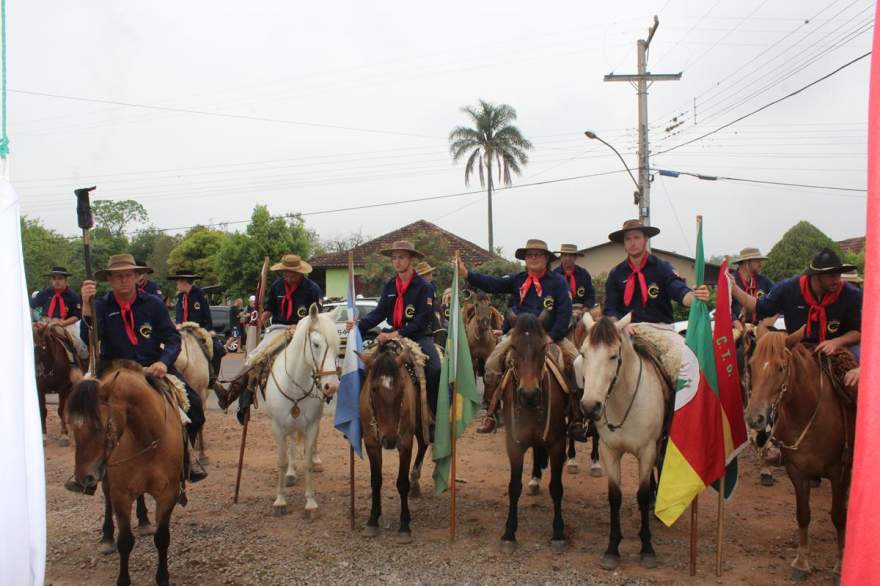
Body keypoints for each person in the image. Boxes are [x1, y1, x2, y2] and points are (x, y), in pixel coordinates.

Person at [79, 254, 206, 482]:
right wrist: (87, 310)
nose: (124, 280)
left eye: (128, 275)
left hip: (151, 367)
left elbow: (172, 338)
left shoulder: (153, 304)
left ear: (137, 277)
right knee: (87, 412)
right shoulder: (101, 305)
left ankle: (186, 456)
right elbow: (88, 337)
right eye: (118, 277)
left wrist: (163, 362)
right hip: (113, 370)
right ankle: (89, 469)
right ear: (109, 279)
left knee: (195, 407)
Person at [457, 238, 580, 436]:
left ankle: (576, 417)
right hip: (518, 336)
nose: (533, 258)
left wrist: (552, 336)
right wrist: (467, 274)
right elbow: (493, 284)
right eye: (529, 255)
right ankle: (492, 412)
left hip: (549, 336)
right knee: (491, 364)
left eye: (538, 255)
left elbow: (565, 313)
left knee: (577, 364)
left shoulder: (558, 282)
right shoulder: (517, 279)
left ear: (546, 259)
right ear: (525, 259)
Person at [602, 220, 711, 433]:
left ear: (645, 240)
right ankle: (593, 419)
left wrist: (695, 297)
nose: (632, 243)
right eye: (628, 239)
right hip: (626, 330)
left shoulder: (662, 267)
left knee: (686, 363)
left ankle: (681, 422)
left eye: (636, 237)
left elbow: (678, 290)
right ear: (624, 243)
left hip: (660, 329)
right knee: (585, 362)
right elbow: (610, 310)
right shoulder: (616, 274)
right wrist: (620, 326)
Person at [346, 241, 441, 432]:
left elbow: (423, 319)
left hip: (418, 335)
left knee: (435, 368)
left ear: (411, 259)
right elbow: (379, 313)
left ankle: (432, 415)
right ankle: (360, 418)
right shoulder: (390, 285)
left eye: (402, 257)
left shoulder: (424, 286)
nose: (397, 262)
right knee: (362, 365)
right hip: (392, 333)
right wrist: (358, 325)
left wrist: (397, 333)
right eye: (394, 258)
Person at [233, 254, 323, 422]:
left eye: (292, 273)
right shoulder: (277, 286)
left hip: (304, 330)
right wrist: (260, 319)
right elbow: (270, 309)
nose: (288, 277)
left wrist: (300, 326)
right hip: (278, 329)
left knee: (321, 357)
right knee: (257, 355)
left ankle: (325, 387)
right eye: (285, 273)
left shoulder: (312, 289)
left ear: (300, 272)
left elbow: (316, 317)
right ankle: (240, 392)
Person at [731, 248, 863, 356]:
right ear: (816, 275)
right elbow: (759, 307)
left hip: (838, 348)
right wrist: (734, 289)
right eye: (831, 276)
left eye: (839, 275)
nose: (837, 280)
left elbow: (858, 332)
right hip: (798, 349)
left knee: (859, 371)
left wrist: (836, 342)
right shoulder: (788, 288)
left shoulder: (850, 294)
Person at [169, 270, 226, 393]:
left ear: (185, 282)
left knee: (218, 348)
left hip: (199, 329)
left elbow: (206, 313)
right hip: (183, 329)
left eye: (178, 282)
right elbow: (179, 315)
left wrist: (210, 329)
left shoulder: (200, 294)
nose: (177, 285)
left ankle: (213, 377)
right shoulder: (179, 297)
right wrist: (178, 325)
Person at [30, 266, 89, 359]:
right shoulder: (45, 293)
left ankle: (83, 365)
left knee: (79, 343)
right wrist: (31, 322)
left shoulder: (73, 296)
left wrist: (63, 323)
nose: (56, 281)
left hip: (66, 324)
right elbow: (31, 305)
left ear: (66, 280)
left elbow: (77, 316)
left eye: (60, 278)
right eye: (54, 278)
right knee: (29, 337)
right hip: (44, 322)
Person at [730, 247, 775, 329]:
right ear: (747, 262)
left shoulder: (764, 280)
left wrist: (766, 324)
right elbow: (724, 308)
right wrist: (737, 324)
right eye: (757, 261)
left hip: (761, 329)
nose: (760, 264)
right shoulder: (731, 281)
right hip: (737, 329)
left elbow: (778, 297)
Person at [554, 243, 596, 312]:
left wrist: (585, 309)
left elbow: (591, 296)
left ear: (575, 257)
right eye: (565, 255)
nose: (567, 258)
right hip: (560, 312)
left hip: (581, 310)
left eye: (570, 256)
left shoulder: (584, 274)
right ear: (561, 257)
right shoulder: (554, 275)